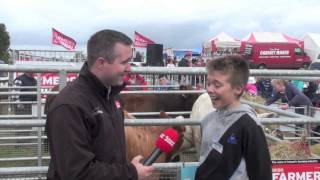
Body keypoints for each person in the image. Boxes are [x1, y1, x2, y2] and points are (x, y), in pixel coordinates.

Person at [45, 29, 154, 180]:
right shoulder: (69, 106)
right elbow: (77, 174)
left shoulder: (112, 97)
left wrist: (127, 169)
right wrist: (130, 173)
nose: (130, 68)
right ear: (101, 63)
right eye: (124, 62)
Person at [195, 56, 272, 180]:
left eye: (217, 85)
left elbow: (262, 173)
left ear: (238, 88)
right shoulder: (207, 120)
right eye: (208, 83)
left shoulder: (249, 125)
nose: (209, 89)